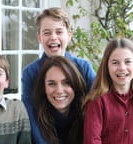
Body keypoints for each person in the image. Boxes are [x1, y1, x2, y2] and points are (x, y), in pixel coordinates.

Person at [21, 7, 96, 144]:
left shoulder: (84, 68)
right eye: (47, 32)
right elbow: (31, 117)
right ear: (39, 38)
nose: (53, 37)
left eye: (59, 32)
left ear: (69, 35)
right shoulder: (30, 73)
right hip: (45, 138)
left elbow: (96, 109)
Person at [83, 38, 133, 144]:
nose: (122, 68)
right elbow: (92, 141)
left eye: (127, 62)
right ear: (107, 67)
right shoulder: (97, 101)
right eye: (115, 62)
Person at [33, 56, 87, 144]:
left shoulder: (88, 116)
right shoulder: (34, 121)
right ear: (44, 88)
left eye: (66, 82)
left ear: (75, 84)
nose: (59, 91)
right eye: (51, 84)